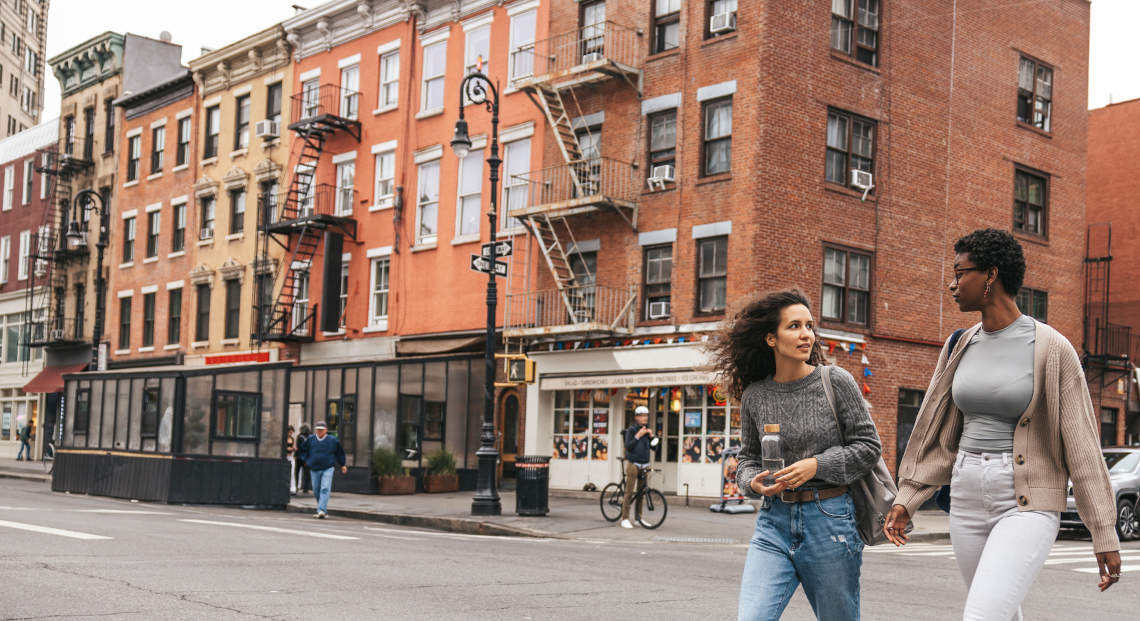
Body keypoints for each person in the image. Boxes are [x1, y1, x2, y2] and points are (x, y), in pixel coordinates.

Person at [884, 229, 1123, 618]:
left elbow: (1083, 448)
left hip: (1025, 503)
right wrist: (908, 497)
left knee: (981, 615)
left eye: (961, 273)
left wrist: (1103, 532)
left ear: (991, 275)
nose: (952, 283)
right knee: (1001, 612)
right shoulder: (958, 344)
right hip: (965, 493)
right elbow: (936, 434)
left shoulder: (1052, 348)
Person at [714, 289, 881, 621]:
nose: (806, 334)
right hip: (772, 523)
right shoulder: (755, 395)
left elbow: (868, 447)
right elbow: (747, 458)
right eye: (794, 326)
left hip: (830, 519)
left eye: (809, 326)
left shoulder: (836, 381)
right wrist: (753, 483)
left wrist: (817, 464)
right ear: (771, 339)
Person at [297, 421, 346, 518]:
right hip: (314, 468)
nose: (319, 431)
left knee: (325, 488)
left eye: (321, 430)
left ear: (326, 430)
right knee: (316, 490)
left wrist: (343, 464)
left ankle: (321, 510)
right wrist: (305, 460)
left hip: (328, 467)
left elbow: (339, 452)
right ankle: (322, 508)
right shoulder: (311, 440)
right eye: (318, 429)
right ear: (315, 430)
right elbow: (303, 450)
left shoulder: (332, 440)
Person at [619, 405, 654, 529]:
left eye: (646, 415)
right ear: (636, 417)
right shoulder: (631, 430)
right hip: (633, 463)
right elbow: (628, 446)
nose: (645, 418)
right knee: (629, 492)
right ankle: (625, 518)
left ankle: (638, 518)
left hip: (645, 464)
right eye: (643, 416)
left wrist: (652, 437)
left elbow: (655, 448)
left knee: (641, 493)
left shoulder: (646, 430)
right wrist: (638, 435)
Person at [295, 424, 312, 493]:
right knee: (306, 473)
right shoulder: (309, 437)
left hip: (300, 457)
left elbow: (299, 447)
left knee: (298, 472)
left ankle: (298, 486)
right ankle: (305, 488)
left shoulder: (300, 436)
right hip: (305, 457)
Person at [285, 425, 297, 495]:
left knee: (292, 473)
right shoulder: (284, 438)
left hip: (290, 456)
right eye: (289, 432)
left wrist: (293, 448)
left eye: (292, 432)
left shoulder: (292, 439)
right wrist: (288, 448)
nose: (290, 434)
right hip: (285, 456)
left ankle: (292, 488)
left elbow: (294, 447)